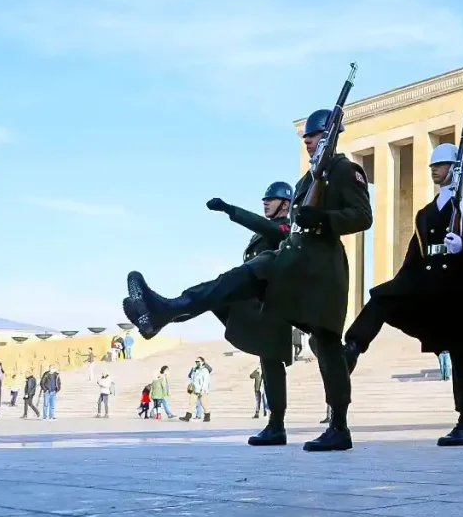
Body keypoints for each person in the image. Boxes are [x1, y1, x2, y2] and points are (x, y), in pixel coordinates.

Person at [122, 108, 373, 451]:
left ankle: (339, 427)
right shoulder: (307, 180)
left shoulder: (345, 169)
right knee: (236, 278)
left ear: (328, 135)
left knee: (328, 347)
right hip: (292, 261)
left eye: (311, 137)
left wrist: (323, 219)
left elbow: (362, 216)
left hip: (322, 272)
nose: (307, 143)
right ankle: (167, 309)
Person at [343, 142, 463, 446]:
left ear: (455, 168)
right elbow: (412, 257)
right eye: (432, 165)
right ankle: (352, 347)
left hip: (456, 286)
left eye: (440, 165)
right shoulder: (425, 213)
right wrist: (400, 287)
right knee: (382, 295)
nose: (434, 170)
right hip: (425, 281)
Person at [205, 180, 295, 445]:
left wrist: (231, 210)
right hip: (258, 304)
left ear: (285, 204)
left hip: (274, 305)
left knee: (272, 363)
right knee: (218, 297)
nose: (266, 202)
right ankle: (275, 425)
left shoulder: (286, 228)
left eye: (272, 199)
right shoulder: (264, 233)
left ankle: (277, 425)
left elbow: (264, 226)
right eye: (265, 199)